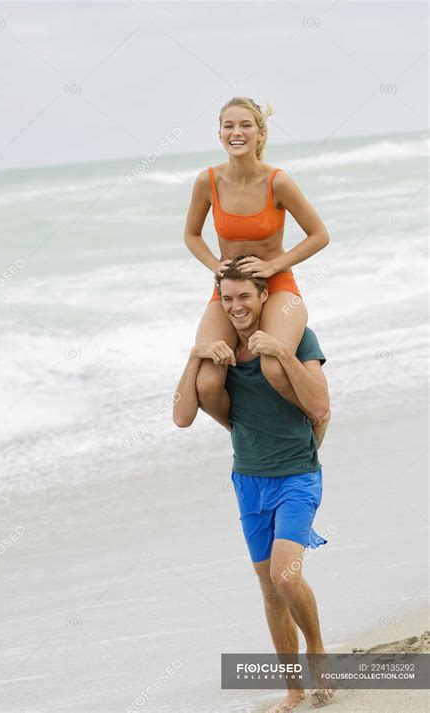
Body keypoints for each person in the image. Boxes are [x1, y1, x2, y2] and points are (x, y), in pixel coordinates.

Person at [173, 257, 333, 712]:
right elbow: (182, 417)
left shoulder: (298, 338)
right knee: (269, 588)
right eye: (228, 299)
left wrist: (280, 352)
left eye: (245, 296)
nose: (237, 306)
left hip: (298, 476)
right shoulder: (219, 353)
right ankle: (294, 688)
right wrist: (194, 355)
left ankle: (317, 651)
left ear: (265, 297)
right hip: (248, 481)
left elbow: (320, 406)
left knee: (286, 575)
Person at [183, 96, 330, 444]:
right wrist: (215, 266)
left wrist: (273, 265)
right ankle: (248, 432)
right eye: (229, 125)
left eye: (246, 125)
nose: (237, 132)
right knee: (207, 382)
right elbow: (191, 235)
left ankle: (314, 420)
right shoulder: (208, 181)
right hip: (230, 290)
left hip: (277, 285)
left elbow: (320, 235)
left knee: (273, 366)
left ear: (260, 134)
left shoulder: (277, 181)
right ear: (219, 134)